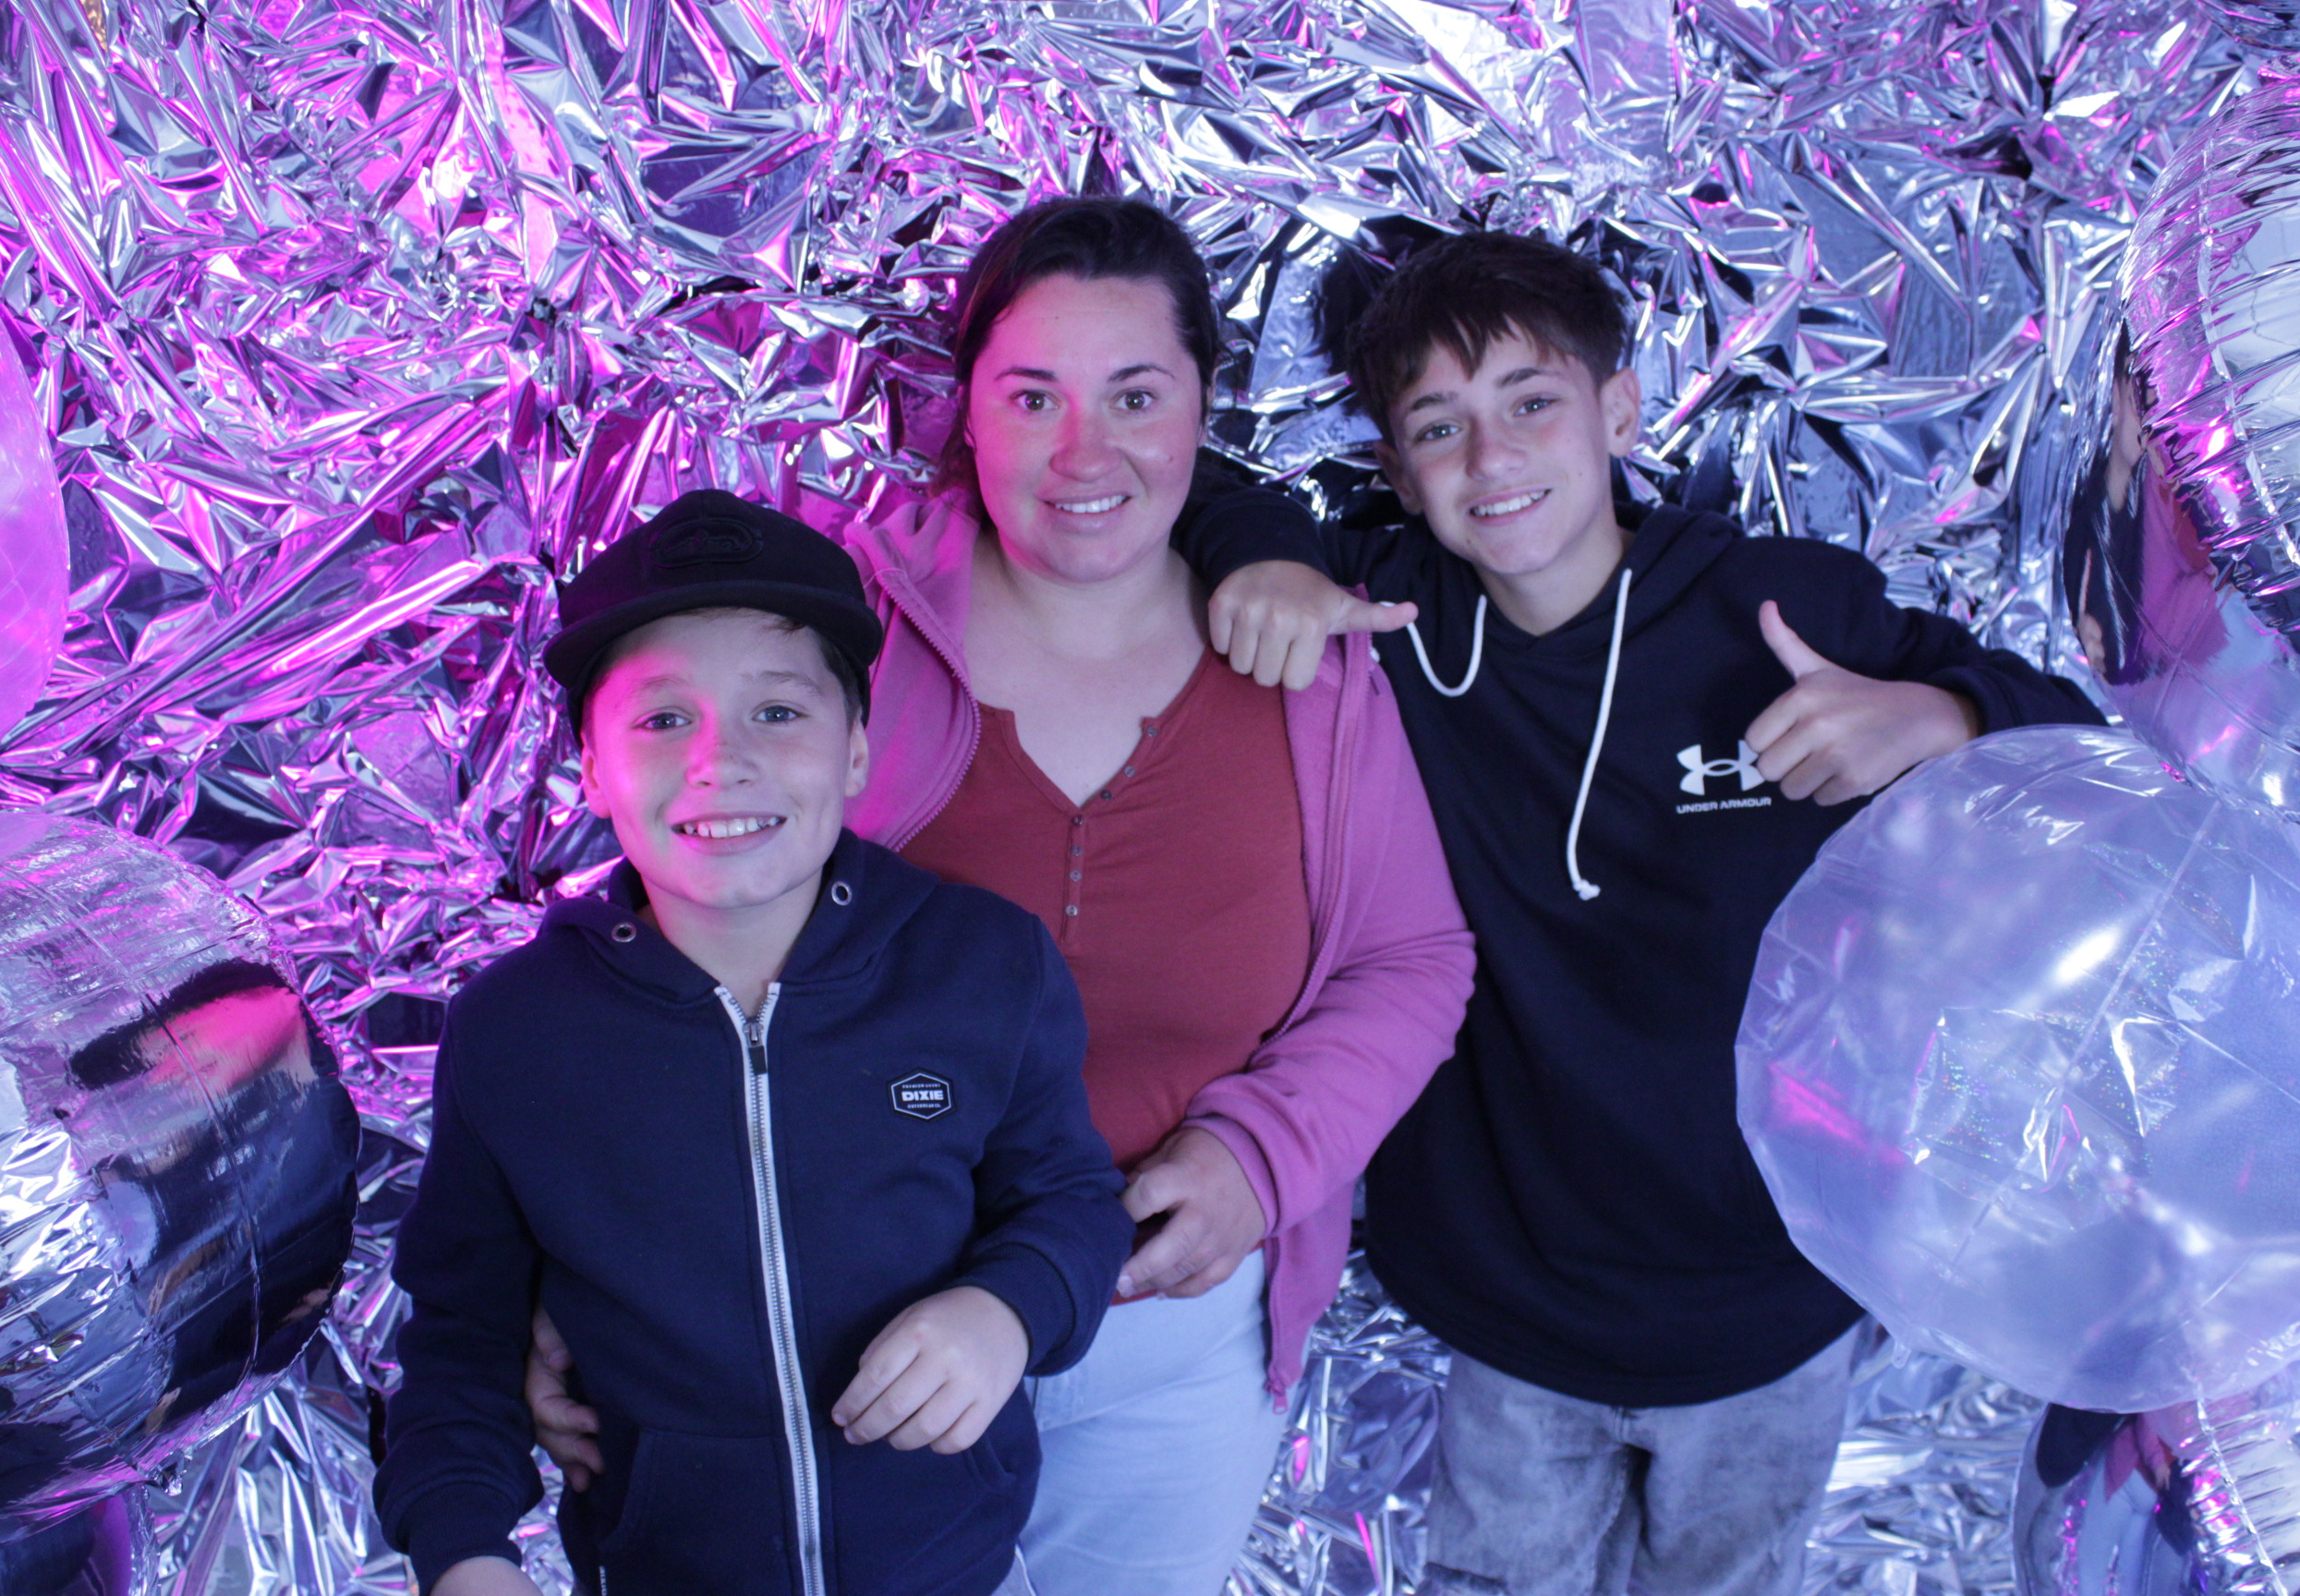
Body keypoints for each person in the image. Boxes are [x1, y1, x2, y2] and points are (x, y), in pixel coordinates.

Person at [527, 197, 1474, 1596]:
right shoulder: (845, 627)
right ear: (965, 411)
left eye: (1135, 395)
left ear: (1203, 406)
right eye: (1033, 397)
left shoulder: (1309, 669)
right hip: (839, 1326)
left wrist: (1260, 1160)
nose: (1084, 454)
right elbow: (676, 922)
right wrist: (593, 1258)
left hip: (1170, 1336)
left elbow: (1413, 959)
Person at [1193, 230, 2107, 1596]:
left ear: (1618, 411)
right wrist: (1262, 557)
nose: (1491, 457)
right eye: (1439, 428)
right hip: (1516, 1295)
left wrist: (1940, 716)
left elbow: (2083, 752)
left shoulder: (1780, 609)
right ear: (1396, 468)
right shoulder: (1389, 618)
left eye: (1531, 402)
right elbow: (1191, 495)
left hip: (1769, 1297)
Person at [372, 495, 1134, 1596]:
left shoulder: (982, 966)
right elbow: (460, 1339)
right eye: (661, 720)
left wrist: (1007, 1310)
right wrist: (466, 1558)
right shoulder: (517, 1032)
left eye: (778, 711)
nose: (720, 760)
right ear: (592, 767)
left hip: (956, 1573)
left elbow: (1072, 1203)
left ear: (857, 747)